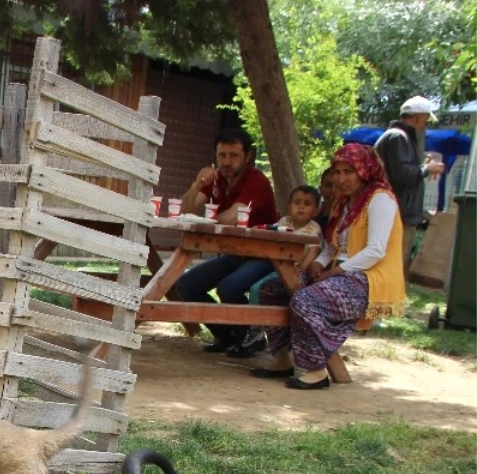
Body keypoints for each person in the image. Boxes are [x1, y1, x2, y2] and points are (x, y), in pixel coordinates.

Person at [251, 144, 405, 390]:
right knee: (272, 289)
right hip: (338, 272)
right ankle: (281, 357)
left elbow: (376, 250)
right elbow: (334, 245)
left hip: (367, 279)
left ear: (364, 171)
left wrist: (336, 271)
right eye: (337, 172)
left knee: (306, 300)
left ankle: (315, 370)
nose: (340, 179)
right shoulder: (343, 204)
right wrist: (319, 264)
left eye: (349, 172)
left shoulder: (380, 199)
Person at [174, 128, 281, 356]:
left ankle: (251, 339)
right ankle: (227, 336)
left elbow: (231, 218)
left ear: (247, 156)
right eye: (222, 155)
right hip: (234, 253)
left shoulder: (257, 180)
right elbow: (184, 211)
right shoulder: (216, 180)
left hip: (264, 255)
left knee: (229, 288)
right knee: (185, 285)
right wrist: (196, 185)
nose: (226, 161)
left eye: (233, 155)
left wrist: (205, 219)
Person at [374, 95, 446, 278]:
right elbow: (402, 173)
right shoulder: (399, 137)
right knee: (392, 263)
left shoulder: (398, 136)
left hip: (398, 211)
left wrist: (422, 165)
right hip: (397, 212)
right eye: (426, 120)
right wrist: (427, 169)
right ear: (419, 117)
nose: (425, 125)